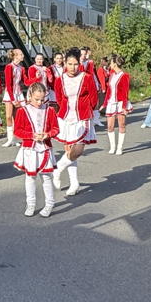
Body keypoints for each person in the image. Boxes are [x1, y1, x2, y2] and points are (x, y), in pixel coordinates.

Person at [53, 47, 99, 197]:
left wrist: (87, 110)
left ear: (79, 64)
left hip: (82, 117)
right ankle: (74, 183)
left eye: (75, 64)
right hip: (66, 117)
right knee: (69, 150)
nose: (72, 67)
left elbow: (93, 98)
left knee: (78, 150)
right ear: (65, 63)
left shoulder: (86, 77)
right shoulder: (60, 79)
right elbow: (59, 98)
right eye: (69, 64)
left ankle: (57, 169)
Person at [13, 81, 59, 217]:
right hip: (30, 149)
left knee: (46, 177)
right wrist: (31, 136)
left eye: (42, 99)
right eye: (36, 99)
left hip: (45, 148)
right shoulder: (22, 111)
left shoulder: (50, 110)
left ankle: (49, 203)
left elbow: (56, 128)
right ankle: (31, 203)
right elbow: (17, 130)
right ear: (30, 96)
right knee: (30, 177)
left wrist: (47, 134)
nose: (39, 102)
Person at [103, 54, 131, 155]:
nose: (109, 64)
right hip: (111, 102)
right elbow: (109, 91)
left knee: (121, 124)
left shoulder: (124, 75)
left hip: (120, 102)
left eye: (111, 62)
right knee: (110, 126)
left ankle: (120, 147)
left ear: (115, 64)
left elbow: (125, 92)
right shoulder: (111, 75)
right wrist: (105, 103)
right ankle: (112, 146)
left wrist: (124, 107)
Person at [2, 48, 27, 147]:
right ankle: (10, 139)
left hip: (18, 93)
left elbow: (26, 81)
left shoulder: (21, 68)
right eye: (21, 54)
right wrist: (12, 99)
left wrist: (36, 78)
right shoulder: (9, 67)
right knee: (8, 116)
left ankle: (15, 138)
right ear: (15, 56)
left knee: (16, 118)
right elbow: (8, 84)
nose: (23, 56)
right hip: (10, 93)